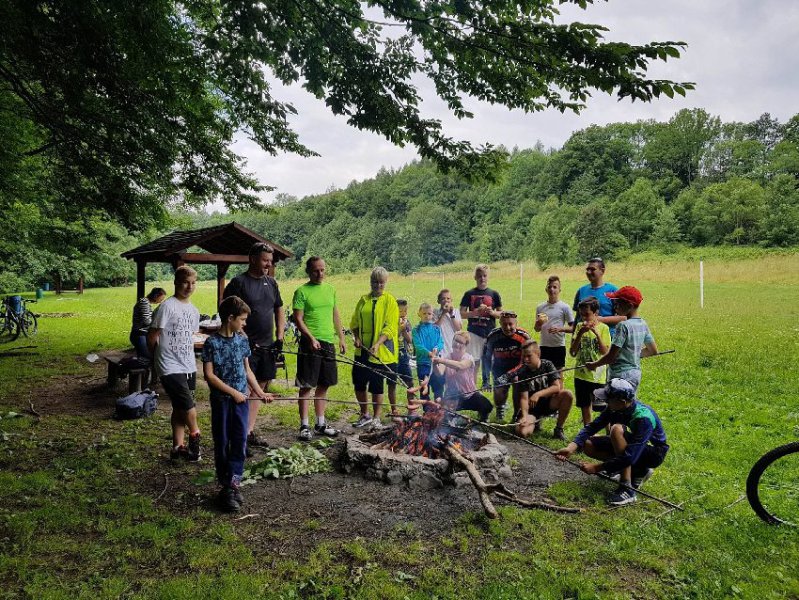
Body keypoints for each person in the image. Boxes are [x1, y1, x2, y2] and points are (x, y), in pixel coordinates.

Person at [201, 296, 273, 513]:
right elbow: (209, 376)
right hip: (222, 402)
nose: (245, 323)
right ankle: (225, 487)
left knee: (240, 441)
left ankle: (234, 484)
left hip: (241, 402)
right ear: (230, 318)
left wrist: (260, 392)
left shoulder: (242, 341)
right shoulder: (212, 343)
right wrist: (233, 393)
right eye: (242, 319)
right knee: (223, 442)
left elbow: (247, 370)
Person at [555, 378, 669, 506]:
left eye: (608, 399)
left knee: (616, 430)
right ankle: (639, 470)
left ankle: (627, 488)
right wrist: (571, 447)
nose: (606, 402)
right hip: (634, 449)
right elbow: (592, 427)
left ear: (622, 402)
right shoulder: (615, 408)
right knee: (588, 444)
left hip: (653, 453)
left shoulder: (643, 418)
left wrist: (596, 468)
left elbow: (630, 456)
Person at [222, 242, 285, 452]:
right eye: (265, 260)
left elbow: (279, 309)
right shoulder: (239, 283)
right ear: (252, 259)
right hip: (245, 346)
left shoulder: (272, 283)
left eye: (270, 261)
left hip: (268, 345)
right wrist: (241, 337)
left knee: (261, 387)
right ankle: (238, 435)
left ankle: (248, 432)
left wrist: (280, 337)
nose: (269, 264)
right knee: (245, 389)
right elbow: (226, 312)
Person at [147, 266, 201, 461]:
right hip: (169, 364)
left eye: (193, 283)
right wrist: (156, 358)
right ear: (176, 282)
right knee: (188, 406)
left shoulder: (194, 310)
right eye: (185, 282)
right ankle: (195, 438)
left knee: (179, 407)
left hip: (188, 364)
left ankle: (177, 447)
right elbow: (152, 336)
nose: (189, 287)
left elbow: (190, 335)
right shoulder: (167, 307)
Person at [292, 257, 347, 441]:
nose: (320, 274)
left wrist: (341, 338)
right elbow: (298, 319)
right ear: (309, 271)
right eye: (316, 270)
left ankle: (320, 423)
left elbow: (335, 315)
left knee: (325, 383)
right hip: (310, 344)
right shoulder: (301, 291)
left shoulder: (330, 289)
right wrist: (311, 338)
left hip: (327, 342)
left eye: (322, 270)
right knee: (307, 385)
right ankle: (304, 425)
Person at [350, 266, 399, 429]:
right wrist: (357, 337)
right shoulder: (363, 300)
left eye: (381, 282)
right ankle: (365, 414)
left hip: (381, 351)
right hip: (362, 350)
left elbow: (390, 327)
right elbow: (354, 322)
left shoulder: (390, 301)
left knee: (376, 385)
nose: (378, 285)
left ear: (386, 282)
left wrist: (377, 344)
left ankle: (377, 417)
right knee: (359, 382)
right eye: (375, 282)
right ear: (370, 282)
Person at [586, 286, 658, 393]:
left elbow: (611, 357)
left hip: (620, 376)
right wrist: (632, 356)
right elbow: (653, 351)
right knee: (629, 402)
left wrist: (594, 364)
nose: (615, 307)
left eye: (618, 304)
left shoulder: (623, 326)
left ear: (629, 306)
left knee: (615, 402)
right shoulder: (643, 324)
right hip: (635, 374)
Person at [505, 340, 573, 441]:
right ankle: (534, 422)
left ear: (538, 354)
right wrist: (524, 416)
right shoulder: (523, 371)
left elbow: (556, 387)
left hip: (548, 403)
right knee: (522, 432)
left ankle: (558, 429)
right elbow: (524, 398)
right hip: (532, 409)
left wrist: (538, 394)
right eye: (524, 356)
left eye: (529, 356)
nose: (526, 359)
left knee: (567, 394)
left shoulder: (547, 365)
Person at [432, 331, 492, 422]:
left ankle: (483, 417)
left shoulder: (468, 358)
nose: (457, 344)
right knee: (443, 414)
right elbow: (439, 373)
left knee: (487, 406)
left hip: (469, 394)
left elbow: (460, 366)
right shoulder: (447, 357)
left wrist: (441, 360)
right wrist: (434, 363)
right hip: (452, 395)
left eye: (461, 342)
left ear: (466, 345)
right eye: (456, 340)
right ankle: (450, 419)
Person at [570, 296, 612, 424]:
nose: (584, 318)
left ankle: (608, 432)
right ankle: (588, 431)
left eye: (587, 314)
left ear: (596, 313)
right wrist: (580, 333)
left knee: (602, 407)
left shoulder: (604, 328)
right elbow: (572, 352)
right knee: (585, 405)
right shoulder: (579, 327)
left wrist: (597, 334)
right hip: (581, 375)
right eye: (581, 315)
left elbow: (605, 352)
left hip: (597, 375)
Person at [460, 264, 503, 386]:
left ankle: (488, 383)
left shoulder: (494, 294)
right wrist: (475, 312)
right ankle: (472, 387)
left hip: (490, 333)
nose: (482, 278)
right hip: (474, 332)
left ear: (488, 277)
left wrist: (492, 312)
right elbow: (461, 314)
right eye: (479, 276)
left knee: (489, 360)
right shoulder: (469, 294)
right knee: (474, 362)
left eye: (484, 276)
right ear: (475, 277)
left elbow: (501, 314)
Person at [484, 311, 530, 423]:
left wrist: (511, 374)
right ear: (500, 323)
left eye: (510, 324)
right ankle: (500, 409)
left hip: (518, 367)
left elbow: (527, 360)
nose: (508, 327)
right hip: (499, 368)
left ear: (516, 324)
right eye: (504, 324)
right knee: (499, 390)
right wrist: (486, 380)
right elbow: (486, 358)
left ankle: (516, 414)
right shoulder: (493, 336)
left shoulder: (524, 336)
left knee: (517, 382)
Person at [570, 258, 624, 336]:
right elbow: (578, 317)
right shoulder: (581, 290)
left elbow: (624, 318)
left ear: (602, 271)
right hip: (585, 338)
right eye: (587, 269)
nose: (589, 272)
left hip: (606, 337)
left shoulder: (613, 290)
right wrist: (574, 337)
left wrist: (601, 319)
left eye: (592, 269)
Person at [534, 275, 574, 370]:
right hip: (544, 346)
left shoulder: (565, 307)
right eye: (549, 287)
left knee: (558, 373)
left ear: (559, 290)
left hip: (558, 346)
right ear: (546, 289)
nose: (552, 289)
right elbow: (537, 329)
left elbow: (573, 328)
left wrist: (560, 329)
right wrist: (538, 324)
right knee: (544, 373)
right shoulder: (540, 307)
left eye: (555, 287)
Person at [412, 302, 445, 400]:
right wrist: (428, 353)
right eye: (424, 313)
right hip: (423, 363)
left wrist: (436, 348)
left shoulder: (436, 329)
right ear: (419, 314)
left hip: (436, 363)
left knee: (438, 386)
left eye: (429, 314)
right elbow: (418, 346)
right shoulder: (416, 330)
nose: (427, 316)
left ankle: (438, 405)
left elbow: (441, 342)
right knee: (424, 388)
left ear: (432, 315)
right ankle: (426, 407)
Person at [387, 298, 414, 415]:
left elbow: (409, 340)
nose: (403, 313)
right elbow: (390, 337)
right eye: (400, 311)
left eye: (405, 311)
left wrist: (404, 330)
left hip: (403, 355)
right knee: (392, 383)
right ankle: (394, 410)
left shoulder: (407, 323)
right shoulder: (390, 322)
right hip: (392, 355)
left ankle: (411, 408)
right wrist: (399, 328)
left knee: (410, 383)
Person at [130, 287, 166, 359]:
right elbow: (147, 321)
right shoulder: (144, 302)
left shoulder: (146, 302)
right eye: (161, 299)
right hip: (139, 335)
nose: (160, 301)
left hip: (141, 335)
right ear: (156, 296)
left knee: (144, 357)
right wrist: (159, 321)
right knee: (147, 357)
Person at [434, 289, 462, 356]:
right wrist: (443, 313)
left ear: (451, 300)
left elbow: (458, 328)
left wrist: (451, 315)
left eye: (448, 298)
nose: (446, 300)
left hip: (451, 346)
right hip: (440, 348)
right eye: (443, 299)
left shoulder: (456, 311)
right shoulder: (435, 312)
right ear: (438, 301)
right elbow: (434, 328)